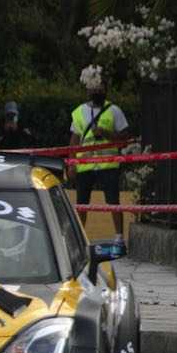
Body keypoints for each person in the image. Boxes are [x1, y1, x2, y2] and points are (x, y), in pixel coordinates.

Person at [69, 80, 130, 243]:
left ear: (106, 90)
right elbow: (74, 141)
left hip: (108, 164)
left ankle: (119, 237)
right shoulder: (79, 112)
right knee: (82, 204)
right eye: (94, 87)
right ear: (87, 90)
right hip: (85, 165)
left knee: (113, 202)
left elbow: (124, 139)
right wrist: (72, 163)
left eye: (100, 87)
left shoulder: (114, 110)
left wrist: (105, 133)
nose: (97, 90)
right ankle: (80, 239)